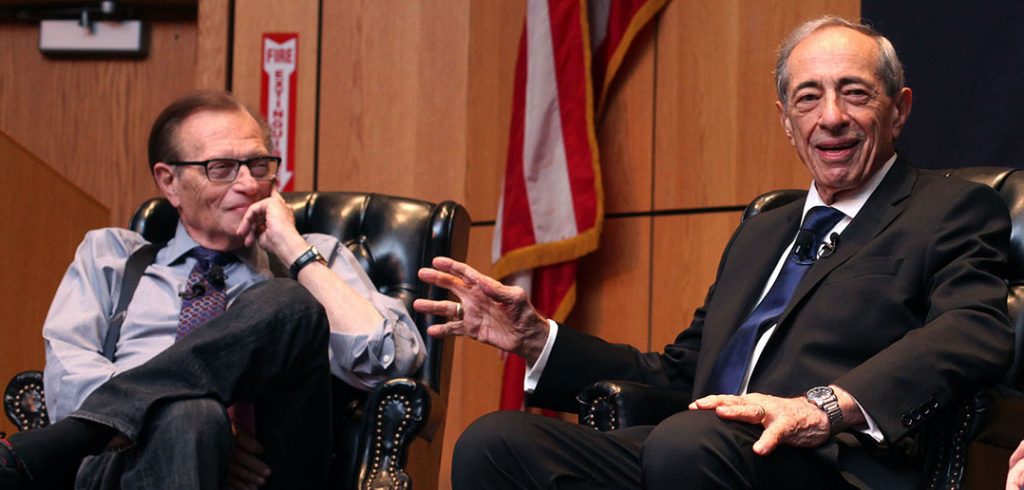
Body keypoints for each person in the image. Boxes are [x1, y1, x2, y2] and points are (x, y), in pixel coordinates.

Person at [413, 16, 1013, 489]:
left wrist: (823, 408)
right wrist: (537, 339)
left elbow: (973, 331)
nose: (831, 117)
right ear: (786, 120)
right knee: (496, 444)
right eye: (809, 98)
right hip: (701, 449)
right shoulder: (763, 230)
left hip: (830, 462)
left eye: (854, 93)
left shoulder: (950, 209)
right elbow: (682, 375)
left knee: (686, 443)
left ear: (899, 109)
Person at [0, 90, 425, 489]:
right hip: (122, 469)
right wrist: (199, 432)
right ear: (168, 182)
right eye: (220, 168)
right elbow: (65, 379)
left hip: (272, 470)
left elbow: (392, 362)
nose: (247, 183)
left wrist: (293, 250)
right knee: (192, 418)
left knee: (288, 302)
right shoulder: (112, 257)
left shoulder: (315, 258)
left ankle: (85, 431)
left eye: (259, 165)